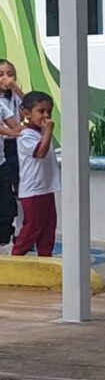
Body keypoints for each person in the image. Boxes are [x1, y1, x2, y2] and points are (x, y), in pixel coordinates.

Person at [11, 92, 59, 257]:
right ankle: (17, 256)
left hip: (46, 189)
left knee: (48, 226)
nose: (46, 115)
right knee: (32, 227)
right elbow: (40, 153)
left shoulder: (41, 133)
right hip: (33, 191)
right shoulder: (26, 135)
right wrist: (49, 132)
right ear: (27, 114)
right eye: (41, 111)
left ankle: (46, 256)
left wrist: (46, 132)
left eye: (49, 111)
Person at [0, 59, 22, 247]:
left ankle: (15, 233)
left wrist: (15, 87)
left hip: (12, 149)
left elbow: (28, 109)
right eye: (1, 74)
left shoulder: (11, 98)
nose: (6, 78)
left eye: (10, 73)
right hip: (5, 146)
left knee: (15, 193)